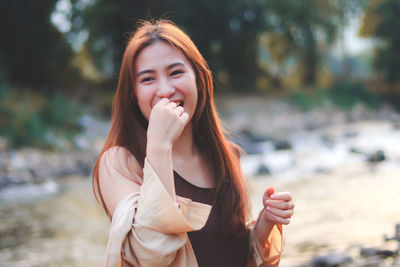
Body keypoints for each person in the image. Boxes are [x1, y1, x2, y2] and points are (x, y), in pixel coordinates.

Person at [92, 19, 294, 267]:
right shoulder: (119, 163)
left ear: (198, 79)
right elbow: (150, 256)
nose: (165, 90)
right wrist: (159, 146)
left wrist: (266, 222)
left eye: (176, 73)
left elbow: (233, 252)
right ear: (133, 94)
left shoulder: (224, 155)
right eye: (148, 79)